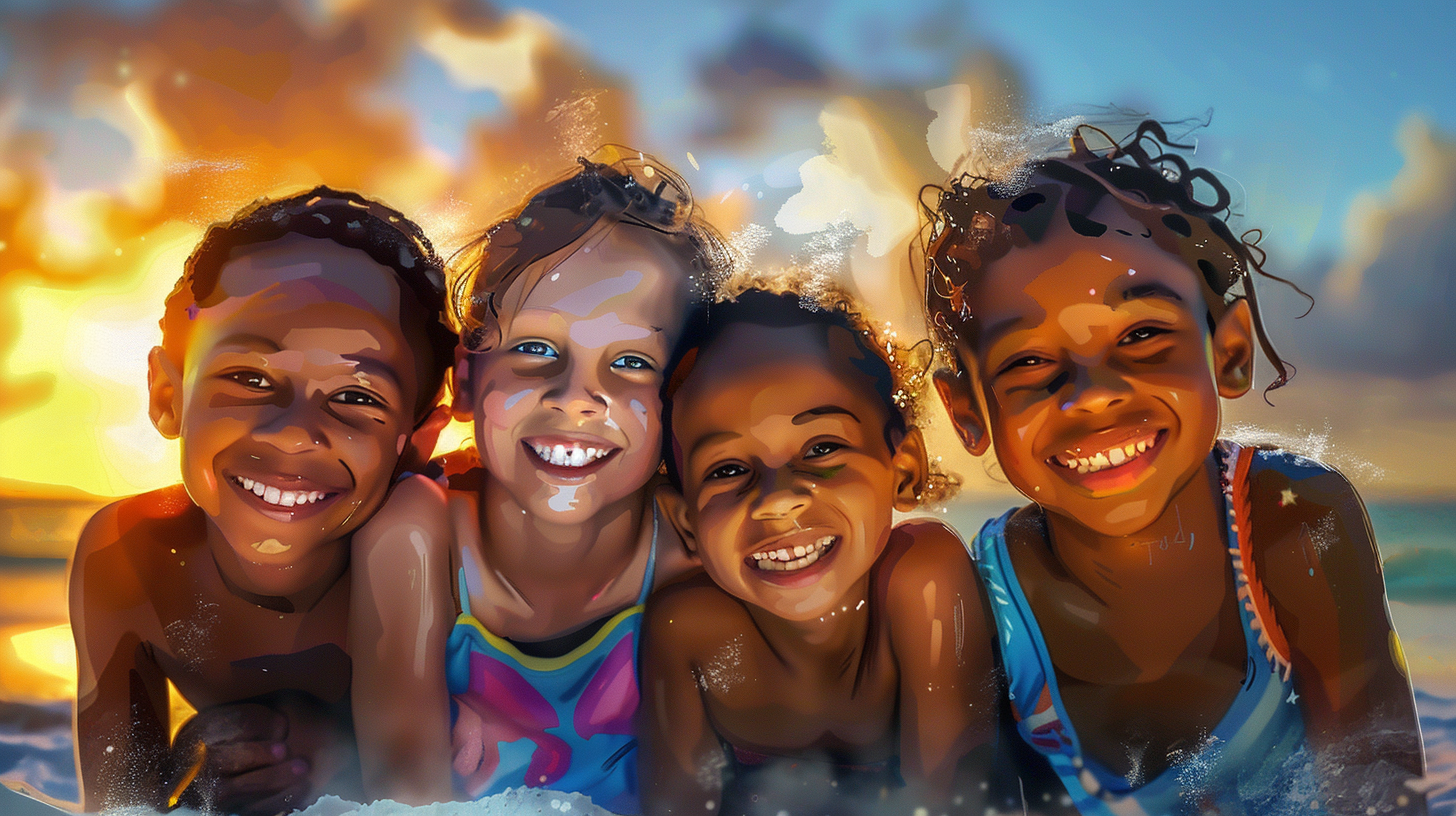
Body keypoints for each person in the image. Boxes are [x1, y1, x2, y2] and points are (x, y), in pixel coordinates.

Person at [923, 121, 1426, 815]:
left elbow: (1382, 796)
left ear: (1230, 352)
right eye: (1029, 362)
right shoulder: (983, 604)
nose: (1093, 393)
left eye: (1142, 335)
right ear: (968, 413)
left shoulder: (1295, 523)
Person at [349, 149, 726, 812]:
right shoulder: (419, 535)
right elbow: (401, 792)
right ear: (466, 379)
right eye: (536, 349)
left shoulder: (687, 554)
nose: (577, 397)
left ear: (684, 399)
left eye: (632, 361)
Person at [69, 188, 455, 815]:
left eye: (357, 397)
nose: (295, 432)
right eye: (250, 379)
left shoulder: (443, 550)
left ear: (415, 444)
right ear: (168, 394)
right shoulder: (132, 558)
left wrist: (336, 754)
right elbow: (121, 803)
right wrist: (198, 755)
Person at [639, 287, 997, 816]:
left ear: (904, 469)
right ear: (686, 522)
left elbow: (956, 804)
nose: (778, 500)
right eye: (728, 470)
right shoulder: (688, 632)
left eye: (822, 449)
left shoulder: (923, 578)